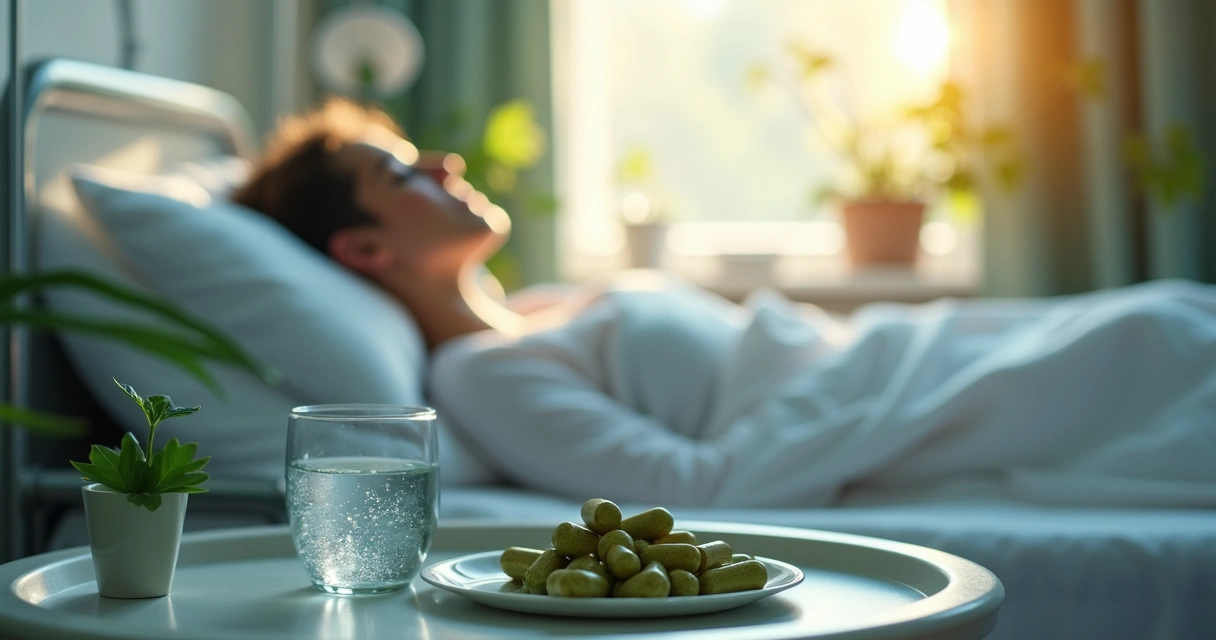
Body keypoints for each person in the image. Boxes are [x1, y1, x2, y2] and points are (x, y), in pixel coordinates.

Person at [235, 99, 1216, 508]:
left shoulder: (539, 310)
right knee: (1159, 343)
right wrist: (854, 398)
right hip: (904, 402)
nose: (442, 162)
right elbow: (697, 489)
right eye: (403, 170)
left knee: (1168, 320)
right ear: (363, 248)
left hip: (903, 357)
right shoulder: (479, 374)